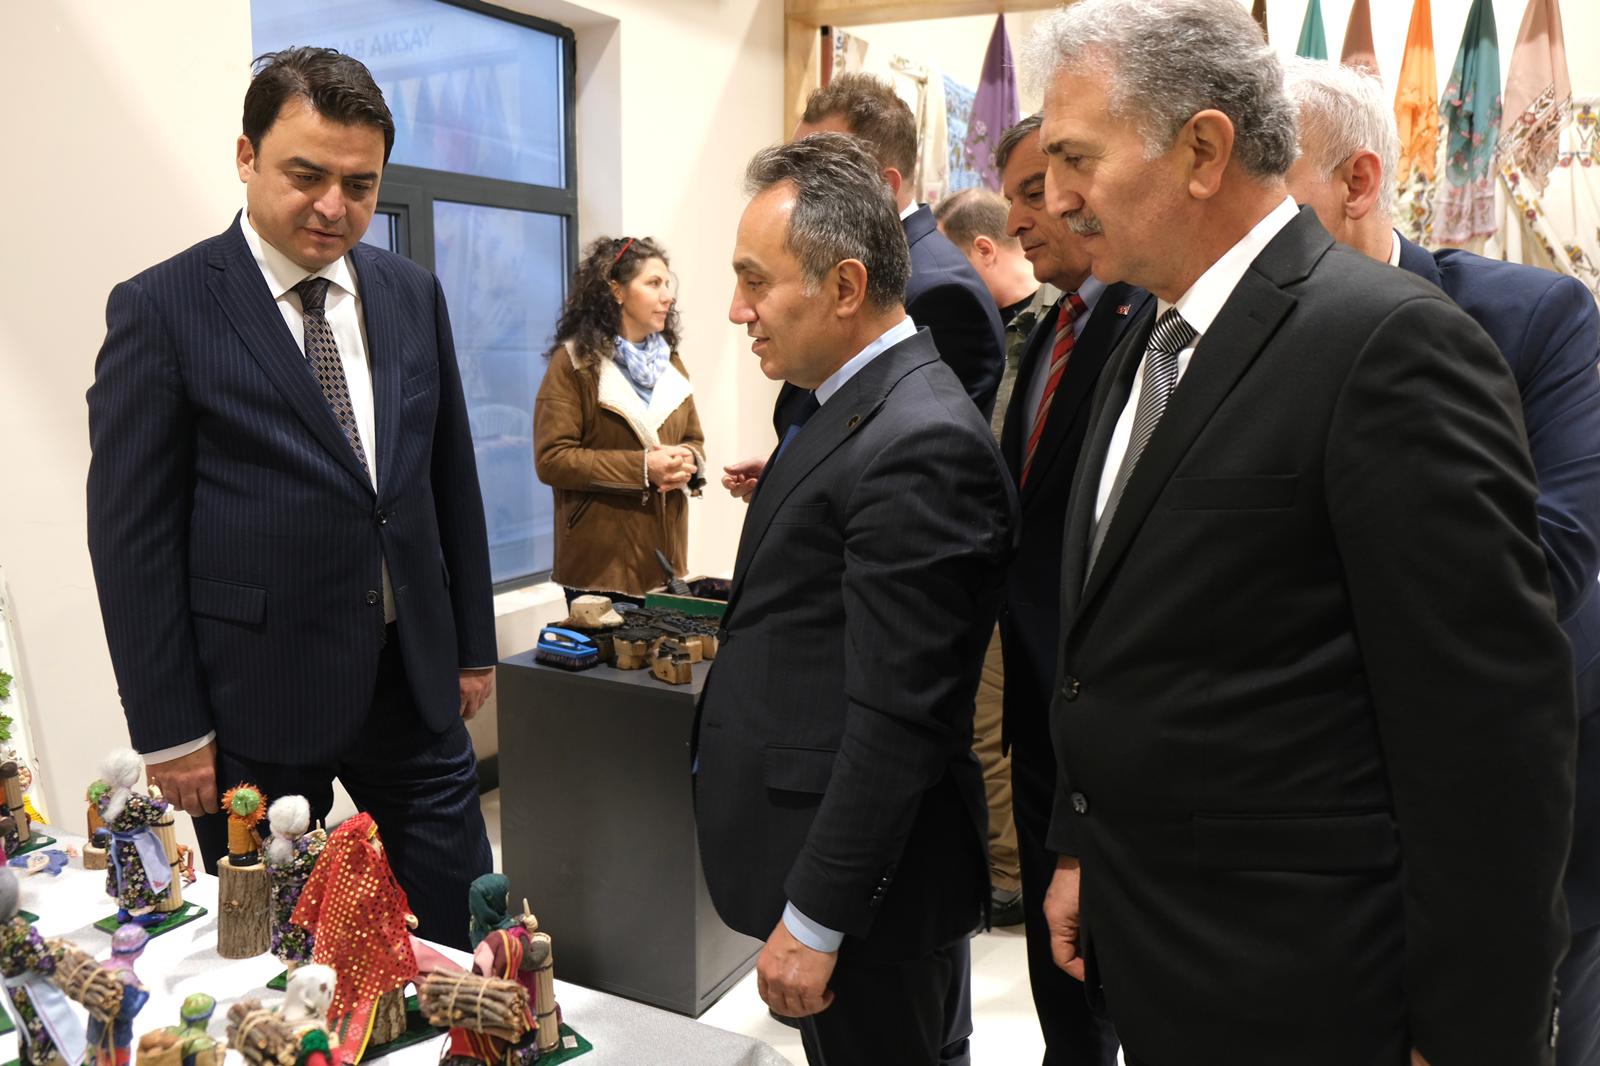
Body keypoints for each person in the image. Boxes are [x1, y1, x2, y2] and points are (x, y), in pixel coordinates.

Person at [1026, 1, 1576, 1063]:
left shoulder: (1385, 344)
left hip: (1320, 988)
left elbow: (1491, 736)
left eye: (1075, 158)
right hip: (1164, 956)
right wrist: (1081, 844)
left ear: (1202, 151)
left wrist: (1472, 1034)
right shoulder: (1146, 338)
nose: (1054, 198)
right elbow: (1130, 643)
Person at [85, 46, 496, 950]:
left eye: (360, 184)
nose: (333, 206)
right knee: (275, 956)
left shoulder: (410, 294)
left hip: (411, 686)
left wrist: (472, 643)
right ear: (246, 156)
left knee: (464, 924)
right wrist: (170, 729)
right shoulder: (163, 308)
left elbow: (446, 478)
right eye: (307, 175)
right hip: (253, 704)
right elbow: (131, 539)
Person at [1282, 57, 1600, 1066]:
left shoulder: (1529, 318)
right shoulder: (1220, 343)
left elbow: (1553, 557)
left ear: (1358, 181)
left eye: (1271, 191)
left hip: (1523, 790)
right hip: (1303, 830)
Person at [694, 133, 1014, 1066]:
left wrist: (818, 916)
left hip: (872, 896)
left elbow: (898, 718)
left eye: (756, 282)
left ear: (843, 286)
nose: (738, 309)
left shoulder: (919, 441)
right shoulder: (845, 402)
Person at [993, 113, 1149, 1066]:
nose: (1021, 218)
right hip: (1038, 696)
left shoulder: (1149, 324)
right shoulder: (1051, 325)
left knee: (1106, 971)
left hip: (1109, 709)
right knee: (1063, 989)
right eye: (1015, 194)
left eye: (1036, 191)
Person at [721, 73, 1007, 502]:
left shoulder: (939, 289)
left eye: (819, 170)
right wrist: (789, 470)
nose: (796, 186)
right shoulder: (862, 261)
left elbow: (909, 451)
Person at [533, 236, 705, 604]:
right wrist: (642, 468)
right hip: (600, 567)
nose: (668, 296)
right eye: (653, 283)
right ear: (617, 291)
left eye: (667, 283)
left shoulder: (671, 362)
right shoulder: (574, 363)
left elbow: (694, 439)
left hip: (665, 563)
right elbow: (552, 459)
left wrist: (689, 461)